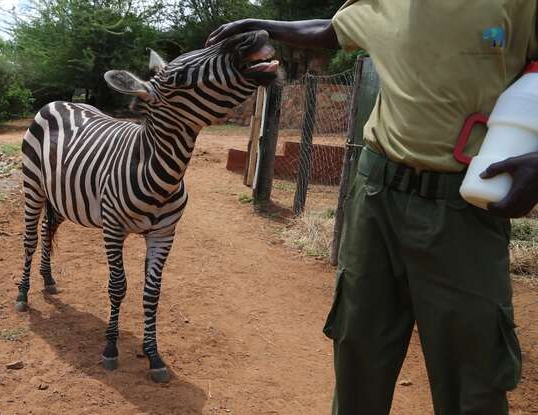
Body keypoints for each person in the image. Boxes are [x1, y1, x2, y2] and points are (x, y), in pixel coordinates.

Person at [207, 2, 538, 414]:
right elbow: (335, 28)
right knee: (358, 354)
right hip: (375, 198)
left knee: (473, 380)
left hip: (464, 208)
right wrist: (265, 25)